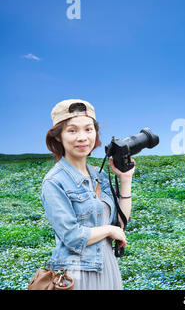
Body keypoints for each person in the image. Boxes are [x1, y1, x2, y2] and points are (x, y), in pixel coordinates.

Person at [41, 99, 135, 290]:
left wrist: (125, 180)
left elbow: (120, 223)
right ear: (58, 136)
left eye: (88, 129)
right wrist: (109, 231)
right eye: (72, 130)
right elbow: (73, 237)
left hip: (108, 266)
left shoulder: (99, 175)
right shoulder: (54, 182)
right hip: (76, 274)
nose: (82, 137)